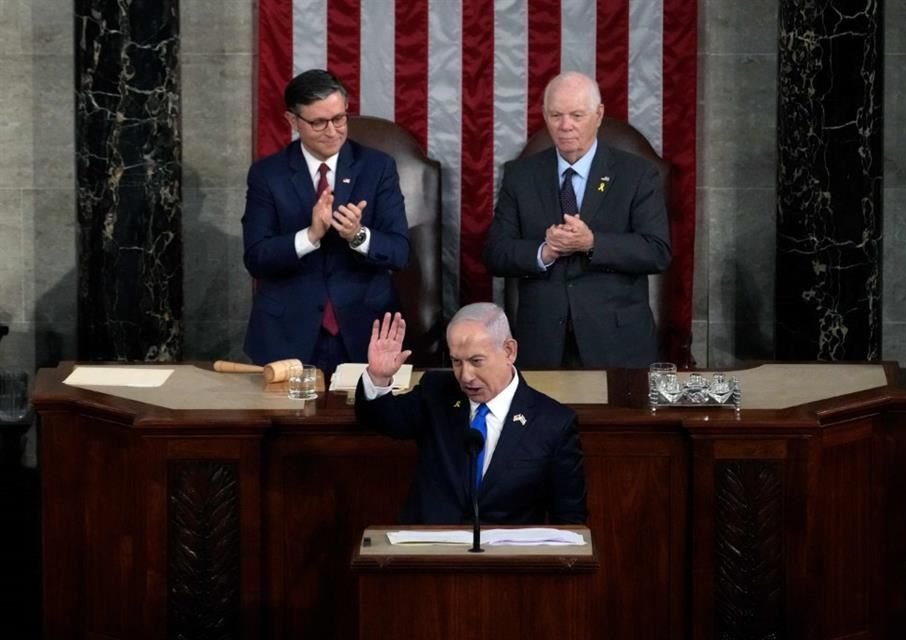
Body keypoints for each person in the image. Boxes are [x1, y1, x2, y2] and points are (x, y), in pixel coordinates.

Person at [485, 71, 671, 369]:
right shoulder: (521, 175)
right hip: (542, 341)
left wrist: (592, 243)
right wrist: (544, 252)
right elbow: (496, 254)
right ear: (545, 116)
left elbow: (657, 251)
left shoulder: (636, 175)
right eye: (556, 115)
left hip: (616, 342)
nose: (565, 126)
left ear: (598, 115)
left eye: (576, 115)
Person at [242, 69, 410, 379]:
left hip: (364, 327)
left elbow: (399, 252)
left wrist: (357, 235)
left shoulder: (377, 168)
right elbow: (256, 258)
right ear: (293, 121)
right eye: (319, 122)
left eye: (339, 119)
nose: (332, 131)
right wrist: (309, 236)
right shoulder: (268, 175)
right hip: (288, 330)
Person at [354, 303, 587, 525]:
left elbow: (569, 518)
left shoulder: (553, 422)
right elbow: (381, 418)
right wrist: (379, 377)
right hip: (431, 554)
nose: (465, 376)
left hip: (507, 560)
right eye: (456, 362)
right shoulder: (436, 393)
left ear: (509, 351)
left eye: (476, 361)